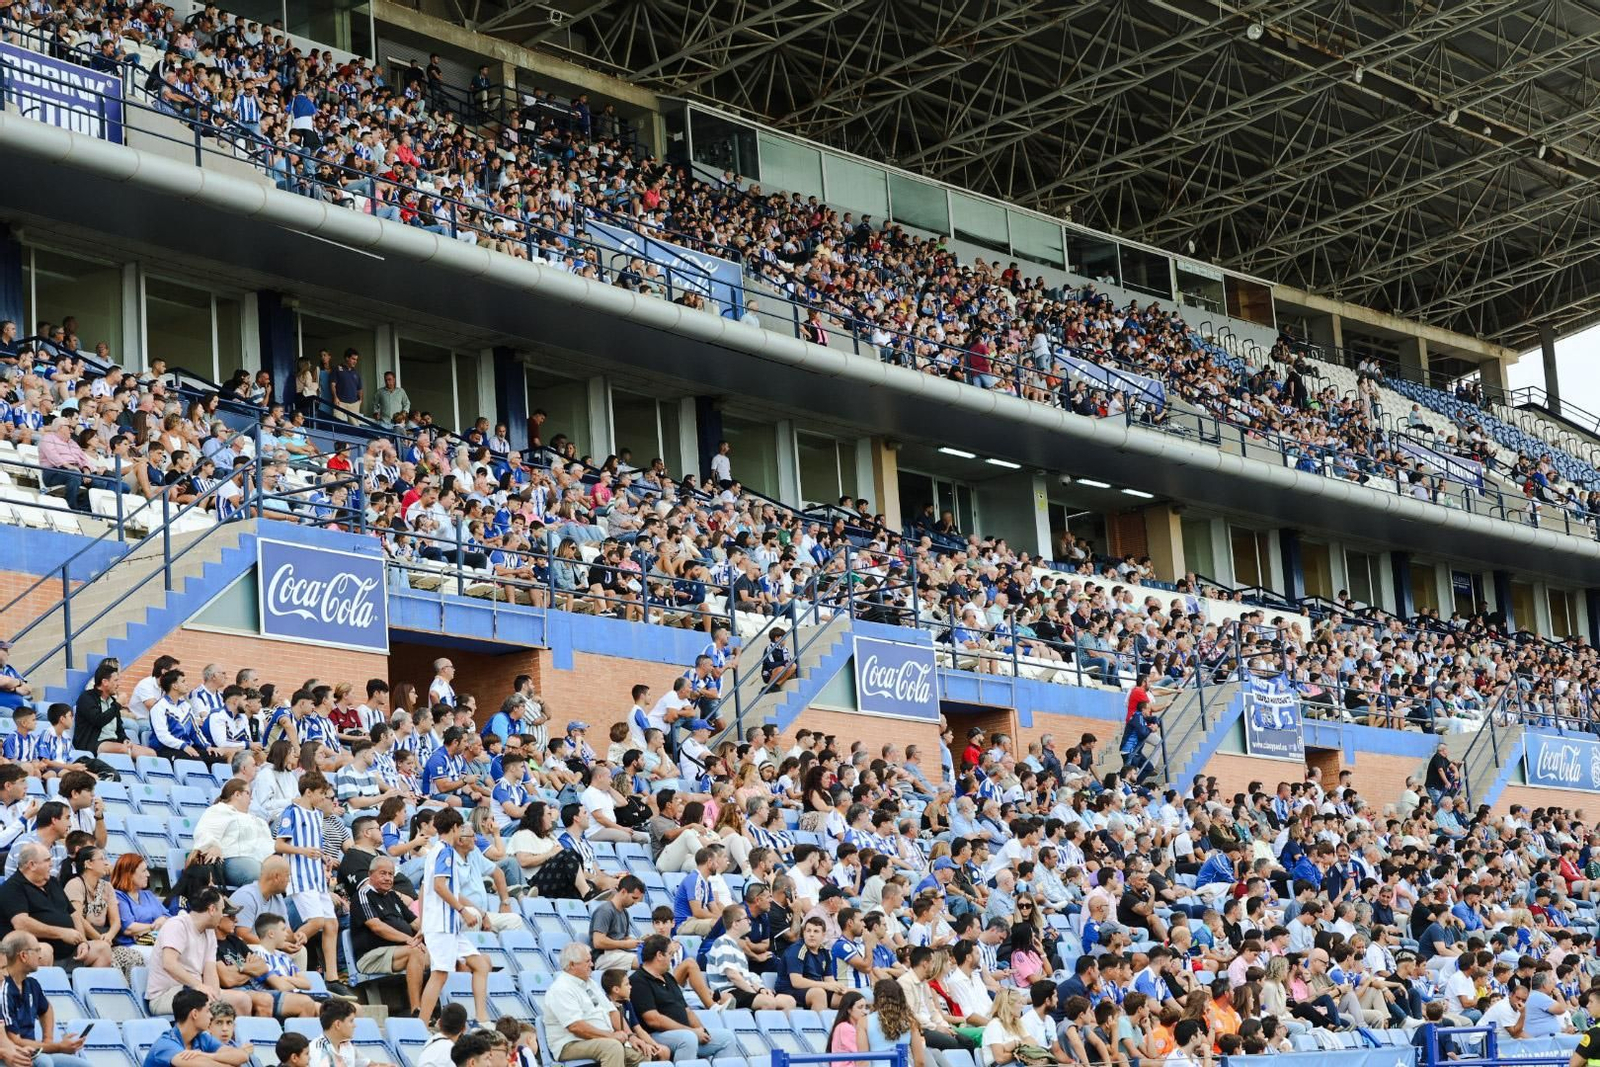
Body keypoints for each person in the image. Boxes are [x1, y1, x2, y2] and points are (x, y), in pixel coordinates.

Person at [418, 809, 491, 1027]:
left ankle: (481, 1018)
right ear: (456, 828)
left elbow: (432, 888)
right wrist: (462, 910)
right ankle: (421, 1024)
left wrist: (423, 923)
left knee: (480, 965)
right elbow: (440, 886)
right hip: (442, 923)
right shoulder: (446, 852)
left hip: (446, 925)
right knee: (439, 973)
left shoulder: (435, 851)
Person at [144, 888, 253, 1018]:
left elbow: (210, 972)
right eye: (221, 910)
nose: (222, 916)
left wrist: (215, 997)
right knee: (204, 1004)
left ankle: (230, 1038)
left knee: (243, 1000)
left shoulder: (209, 932)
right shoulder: (177, 925)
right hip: (165, 996)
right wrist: (198, 985)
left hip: (195, 991)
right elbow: (169, 964)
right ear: (212, 909)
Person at [628, 934, 735, 1060]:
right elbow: (653, 1019)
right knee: (688, 1039)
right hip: (656, 1035)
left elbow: (687, 1011)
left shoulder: (668, 978)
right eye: (670, 954)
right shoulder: (638, 981)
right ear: (659, 955)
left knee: (727, 1038)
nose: (672, 959)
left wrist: (701, 1030)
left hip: (685, 1032)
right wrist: (692, 1032)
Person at [543, 943, 647, 1067]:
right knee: (612, 1047)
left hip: (599, 1040)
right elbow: (576, 1027)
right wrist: (611, 1036)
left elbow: (612, 1011)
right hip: (570, 1043)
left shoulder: (590, 983)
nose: (592, 965)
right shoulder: (561, 989)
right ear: (571, 965)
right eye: (587, 961)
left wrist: (631, 1036)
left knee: (643, 1053)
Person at [0, 843, 102, 969]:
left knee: (102, 949)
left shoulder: (53, 882)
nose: (51, 864)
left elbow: (74, 914)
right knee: (44, 951)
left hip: (69, 951)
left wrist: (82, 942)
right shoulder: (12, 887)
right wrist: (61, 933)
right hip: (29, 951)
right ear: (32, 865)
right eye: (47, 860)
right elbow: (21, 924)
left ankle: (87, 988)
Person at [0, 931, 93, 1067]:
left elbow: (46, 1009)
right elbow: (14, 1040)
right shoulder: (5, 992)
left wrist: (48, 1041)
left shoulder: (32, 984)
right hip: (17, 1055)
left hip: (27, 1051)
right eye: (37, 950)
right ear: (24, 956)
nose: (4, 974)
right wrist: (58, 1047)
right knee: (44, 1062)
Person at [351, 856, 430, 1013]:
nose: (388, 878)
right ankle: (417, 1010)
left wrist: (428, 933)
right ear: (370, 874)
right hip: (371, 957)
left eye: (391, 874)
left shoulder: (393, 896)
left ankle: (439, 1009)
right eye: (383, 873)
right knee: (415, 952)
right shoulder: (363, 895)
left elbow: (415, 922)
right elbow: (377, 927)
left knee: (446, 955)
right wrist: (409, 939)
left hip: (399, 951)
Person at [140, 988, 251, 1067]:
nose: (211, 1016)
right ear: (195, 1014)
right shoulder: (165, 1045)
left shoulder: (202, 1038)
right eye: (207, 1011)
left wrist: (206, 1055)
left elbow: (242, 1056)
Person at [308, 997, 392, 1067]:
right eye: (351, 1021)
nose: (354, 1025)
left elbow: (371, 1065)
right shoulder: (318, 1051)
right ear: (338, 1024)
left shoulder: (346, 1045)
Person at [829, 992, 870, 1065]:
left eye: (865, 1007)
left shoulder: (846, 1026)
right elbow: (861, 1054)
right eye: (860, 1007)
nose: (865, 1012)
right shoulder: (845, 1027)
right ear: (849, 1010)